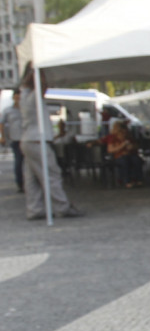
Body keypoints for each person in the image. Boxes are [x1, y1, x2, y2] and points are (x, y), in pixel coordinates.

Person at [18, 64, 84, 220]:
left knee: (32, 179)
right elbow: (41, 85)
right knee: (52, 175)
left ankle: (34, 209)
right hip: (37, 141)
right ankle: (62, 207)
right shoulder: (33, 98)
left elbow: (28, 85)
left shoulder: (24, 97)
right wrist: (39, 70)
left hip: (29, 139)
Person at [104, 119, 144, 187]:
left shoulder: (129, 137)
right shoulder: (112, 138)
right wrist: (121, 146)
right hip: (119, 156)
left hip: (130, 155)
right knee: (124, 161)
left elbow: (136, 145)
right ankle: (126, 181)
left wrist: (132, 147)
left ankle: (138, 179)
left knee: (136, 160)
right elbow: (110, 150)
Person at [1, 88, 23, 192]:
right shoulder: (8, 110)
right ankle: (20, 183)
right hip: (15, 139)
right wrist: (3, 136)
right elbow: (2, 123)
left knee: (28, 163)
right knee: (18, 162)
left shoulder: (26, 109)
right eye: (17, 96)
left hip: (27, 139)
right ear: (14, 97)